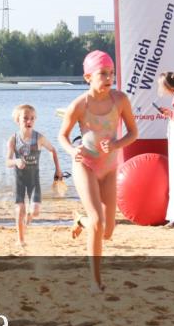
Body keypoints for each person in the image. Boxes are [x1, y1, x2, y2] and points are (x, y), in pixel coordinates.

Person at [58, 50, 138, 292]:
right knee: (98, 222)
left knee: (108, 231)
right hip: (86, 164)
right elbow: (62, 136)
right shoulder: (79, 105)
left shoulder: (120, 100)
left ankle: (79, 220)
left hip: (110, 167)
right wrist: (72, 151)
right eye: (103, 73)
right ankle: (95, 281)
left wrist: (115, 145)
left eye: (111, 73)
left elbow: (134, 133)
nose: (108, 78)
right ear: (88, 77)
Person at [6, 104, 62, 247]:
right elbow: (7, 162)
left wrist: (58, 170)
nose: (28, 121)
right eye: (25, 118)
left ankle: (29, 218)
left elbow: (53, 150)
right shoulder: (13, 139)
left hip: (33, 180)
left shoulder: (39, 138)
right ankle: (20, 240)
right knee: (19, 209)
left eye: (32, 118)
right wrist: (16, 161)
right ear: (17, 120)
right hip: (19, 180)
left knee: (35, 211)